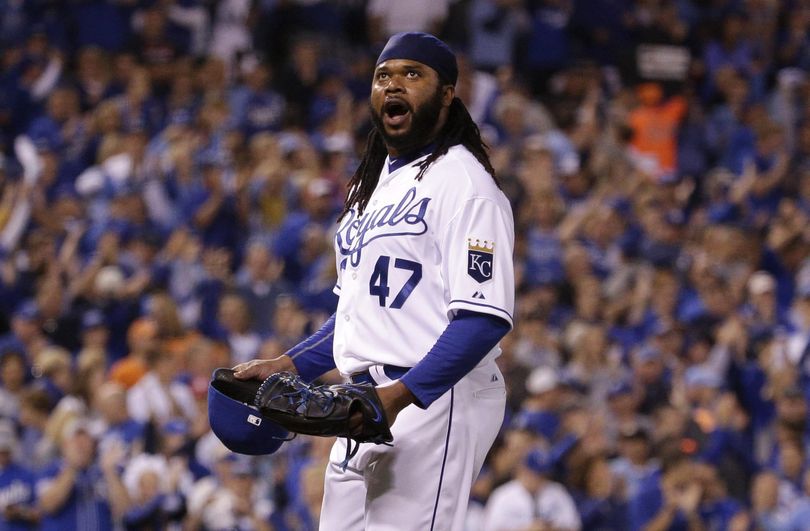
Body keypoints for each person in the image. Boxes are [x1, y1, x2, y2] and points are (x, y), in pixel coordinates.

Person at [234, 31, 515, 530]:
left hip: (431, 394)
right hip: (362, 401)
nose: (394, 85)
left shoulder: (466, 185)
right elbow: (356, 315)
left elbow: (482, 320)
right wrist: (289, 364)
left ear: (447, 92)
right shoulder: (373, 186)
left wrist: (400, 396)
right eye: (384, 75)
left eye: (413, 74)